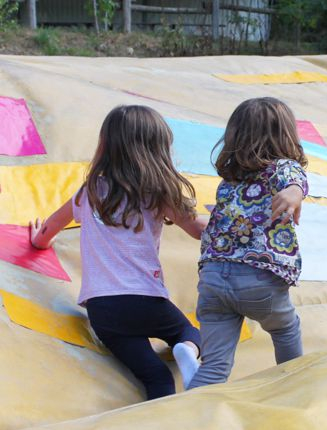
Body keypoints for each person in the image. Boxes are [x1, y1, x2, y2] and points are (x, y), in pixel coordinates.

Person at [29, 105, 206, 400]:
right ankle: (187, 350)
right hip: (147, 300)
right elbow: (198, 229)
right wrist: (232, 222)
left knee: (155, 375)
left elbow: (51, 228)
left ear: (105, 145)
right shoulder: (158, 193)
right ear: (158, 151)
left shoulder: (90, 192)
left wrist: (38, 240)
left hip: (104, 310)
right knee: (190, 333)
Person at [186, 97, 309, 389]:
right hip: (257, 280)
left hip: (213, 281)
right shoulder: (284, 169)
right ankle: (294, 387)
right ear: (286, 134)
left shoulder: (229, 181)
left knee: (214, 367)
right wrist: (294, 193)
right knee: (286, 330)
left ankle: (187, 414)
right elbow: (294, 180)